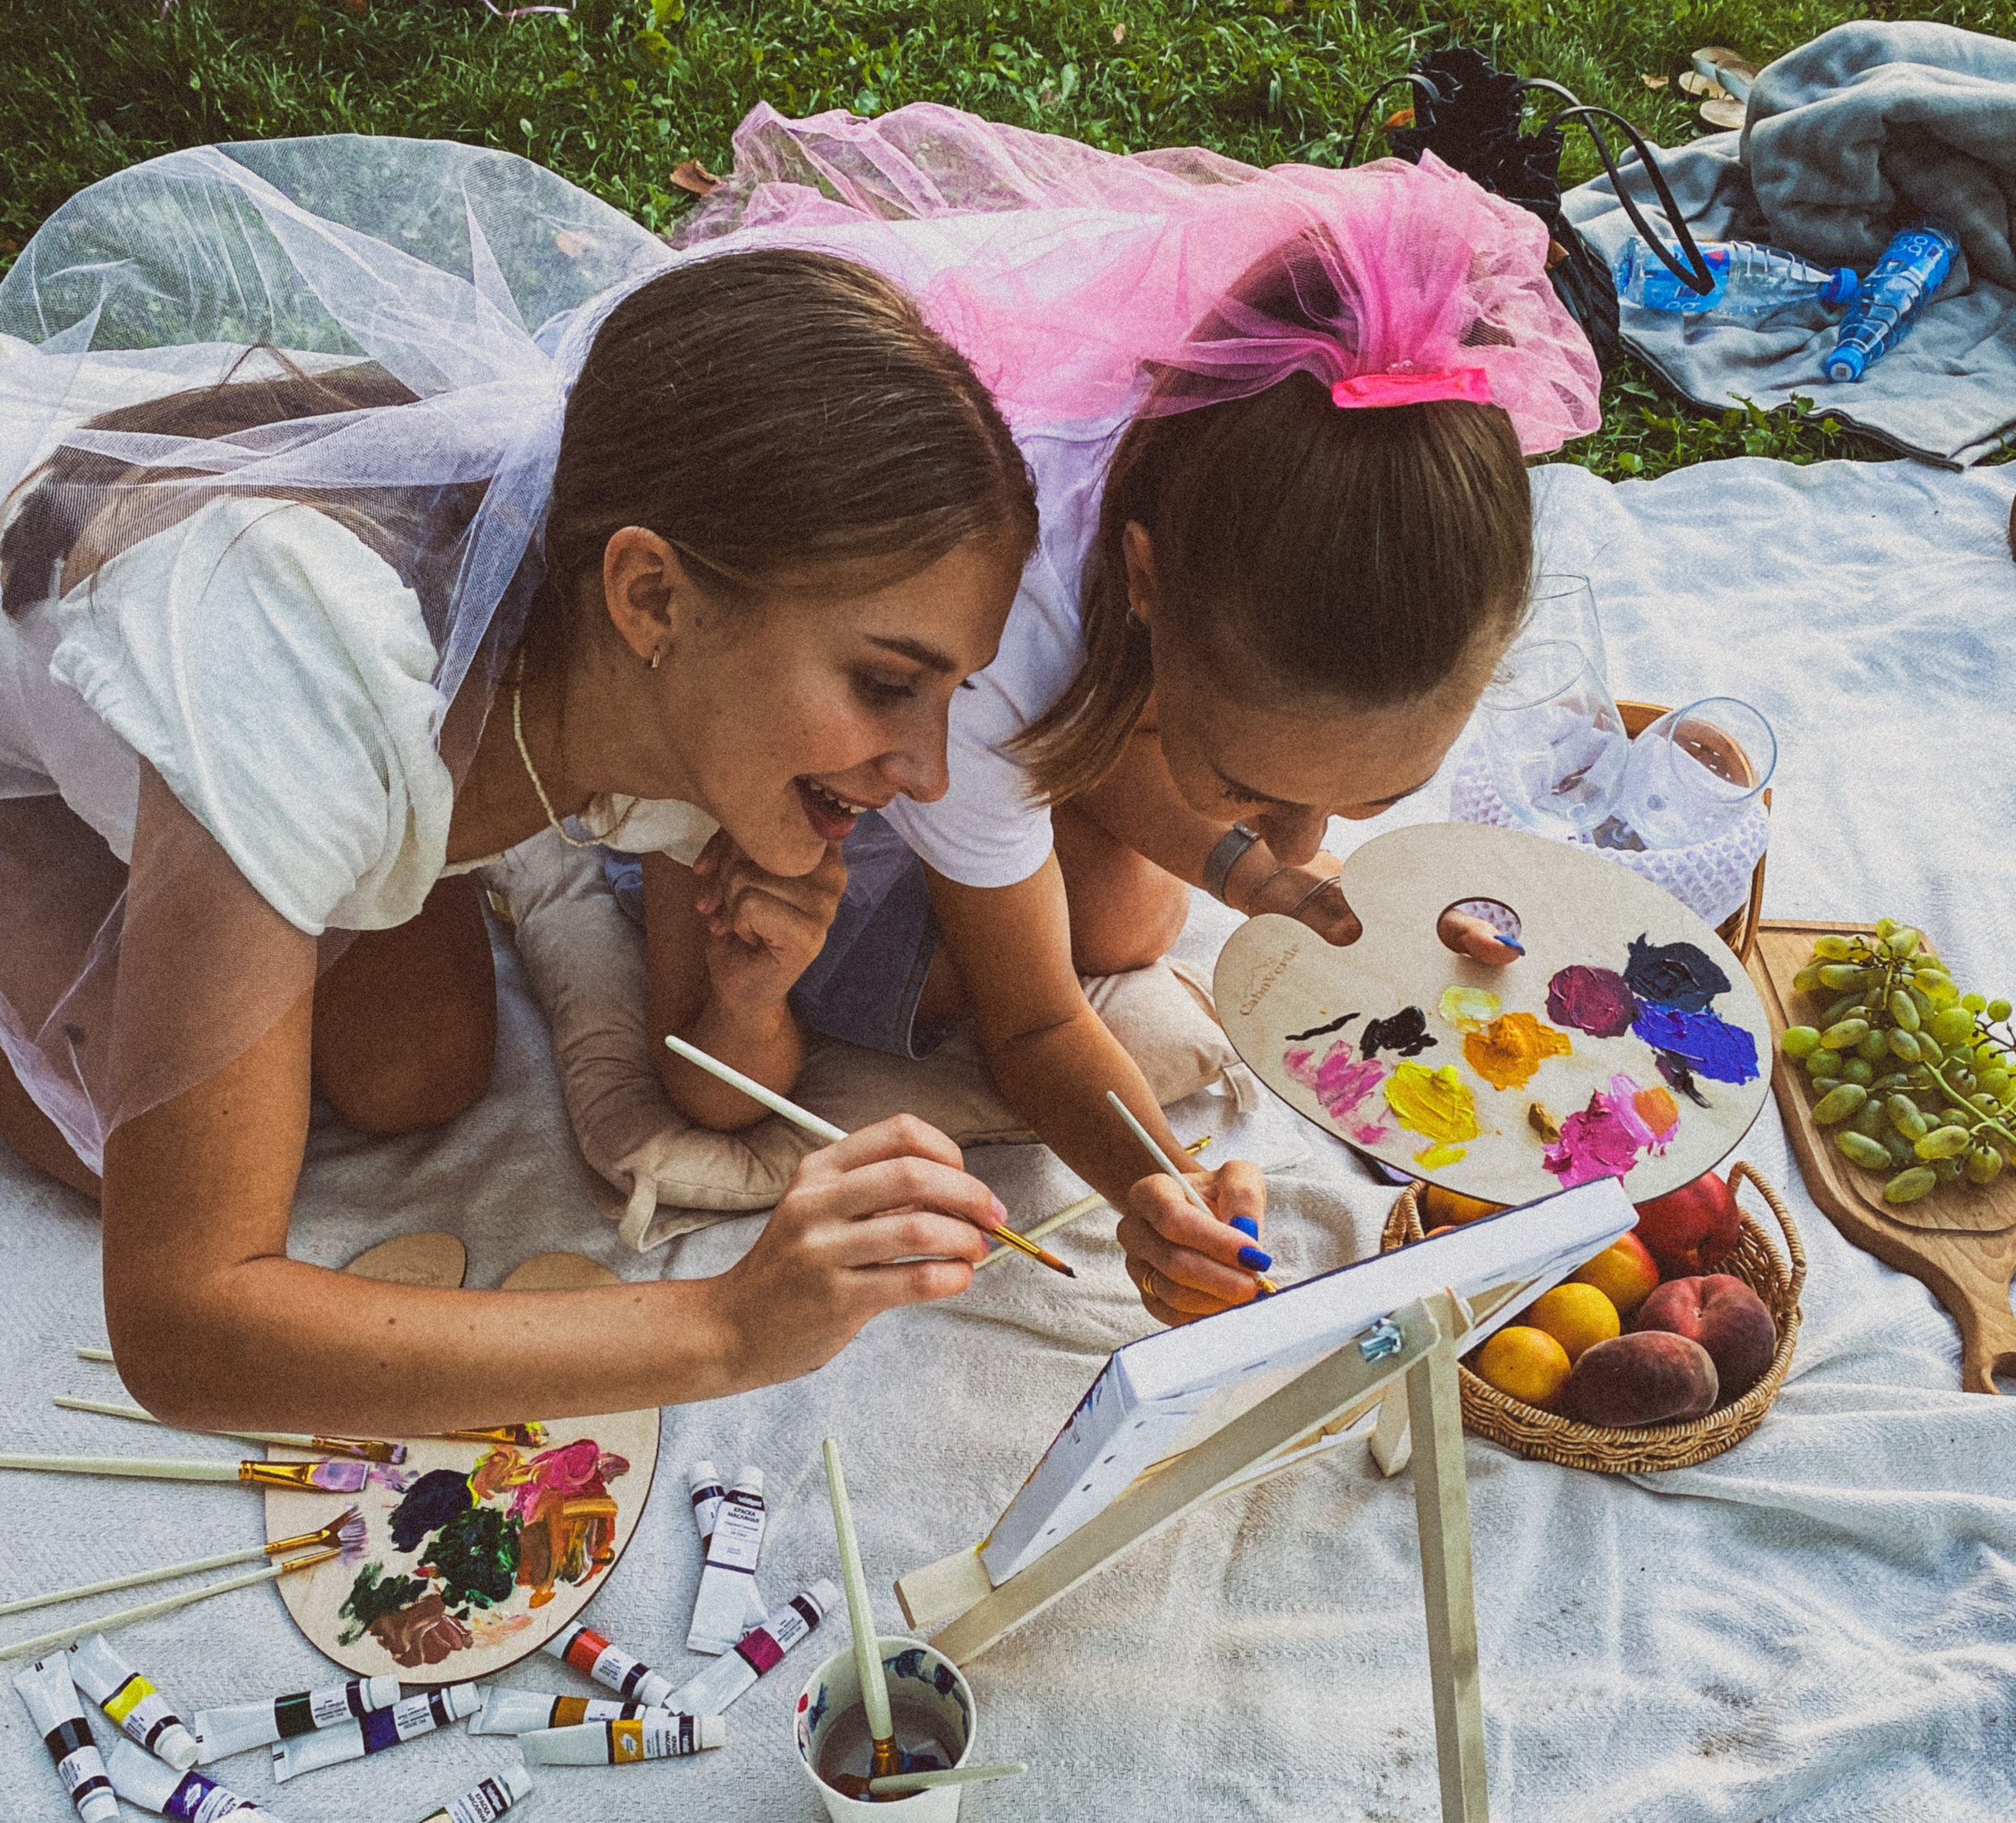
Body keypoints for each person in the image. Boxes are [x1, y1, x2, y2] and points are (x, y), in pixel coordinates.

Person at [0, 137, 1040, 1432]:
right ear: (651, 594)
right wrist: (724, 1324)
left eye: (955, 693)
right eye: (888, 684)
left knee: (424, 1072)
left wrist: (746, 988)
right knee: (125, 1156)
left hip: (305, 716)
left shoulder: (679, 701)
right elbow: (184, 1327)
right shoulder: (301, 668)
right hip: (47, 734)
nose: (925, 772)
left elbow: (698, 1074)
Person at [623, 107, 1602, 1325]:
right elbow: (1029, 1021)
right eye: (1252, 786)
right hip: (756, 699)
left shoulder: (1237, 511)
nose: (1302, 846)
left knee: (1129, 898)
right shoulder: (970, 652)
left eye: (1368, 798)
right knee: (1118, 914)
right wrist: (1164, 1187)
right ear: (1141, 585)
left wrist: (1238, 863)